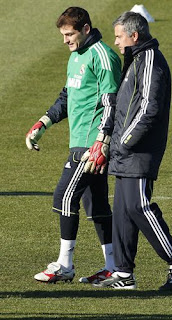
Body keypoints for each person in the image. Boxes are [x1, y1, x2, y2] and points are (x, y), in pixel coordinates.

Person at [90, 11, 172, 290]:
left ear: (134, 35)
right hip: (126, 153)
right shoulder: (136, 58)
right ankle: (124, 275)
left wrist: (124, 141)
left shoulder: (150, 61)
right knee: (124, 210)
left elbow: (149, 108)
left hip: (138, 151)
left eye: (118, 36)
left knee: (139, 206)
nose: (116, 41)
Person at [25, 6, 121, 284]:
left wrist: (102, 141)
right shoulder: (76, 56)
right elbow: (67, 97)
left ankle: (65, 264)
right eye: (63, 35)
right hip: (79, 141)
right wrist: (43, 123)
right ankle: (113, 267)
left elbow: (110, 102)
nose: (65, 40)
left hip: (92, 144)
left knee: (64, 197)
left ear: (86, 30)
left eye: (70, 34)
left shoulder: (102, 56)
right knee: (97, 205)